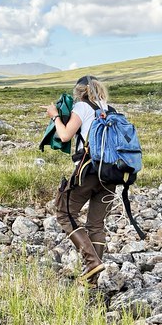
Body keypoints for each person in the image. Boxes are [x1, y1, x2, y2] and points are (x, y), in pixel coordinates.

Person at [44, 75, 115, 285]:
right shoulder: (111, 109)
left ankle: (91, 261)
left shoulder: (83, 108)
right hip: (111, 175)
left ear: (80, 91)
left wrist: (55, 116)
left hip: (89, 171)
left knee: (64, 212)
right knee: (96, 224)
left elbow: (65, 135)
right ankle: (93, 277)